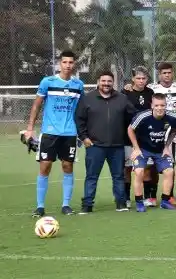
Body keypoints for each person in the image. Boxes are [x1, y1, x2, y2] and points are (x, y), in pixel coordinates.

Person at [25, 50, 84, 218]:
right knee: (45, 166)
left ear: (74, 64)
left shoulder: (78, 85)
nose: (67, 65)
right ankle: (40, 206)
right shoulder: (47, 82)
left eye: (71, 62)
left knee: (68, 166)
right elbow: (36, 105)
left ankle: (66, 205)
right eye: (64, 62)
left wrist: (81, 132)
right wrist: (30, 128)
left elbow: (81, 110)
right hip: (49, 132)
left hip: (70, 132)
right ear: (60, 64)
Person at [75, 70, 135, 213]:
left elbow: (133, 117)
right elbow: (79, 119)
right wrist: (84, 137)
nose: (106, 84)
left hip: (117, 146)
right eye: (103, 81)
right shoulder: (87, 98)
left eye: (109, 81)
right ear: (98, 82)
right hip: (95, 146)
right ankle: (87, 205)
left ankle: (121, 203)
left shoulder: (122, 98)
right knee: (91, 177)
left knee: (119, 176)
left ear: (113, 83)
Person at [128, 94, 176, 211]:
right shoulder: (142, 116)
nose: (160, 108)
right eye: (156, 105)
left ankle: (165, 201)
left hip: (160, 150)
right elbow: (130, 129)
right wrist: (136, 148)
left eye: (162, 105)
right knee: (139, 171)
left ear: (166, 105)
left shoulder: (172, 118)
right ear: (152, 105)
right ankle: (140, 203)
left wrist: (167, 146)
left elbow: (174, 131)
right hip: (142, 149)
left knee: (169, 171)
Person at [123, 66, 155, 205]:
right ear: (133, 79)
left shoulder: (151, 92)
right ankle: (126, 198)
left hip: (146, 137)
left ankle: (147, 197)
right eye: (138, 78)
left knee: (147, 167)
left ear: (147, 79)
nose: (141, 81)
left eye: (144, 78)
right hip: (128, 136)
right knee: (128, 167)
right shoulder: (125, 92)